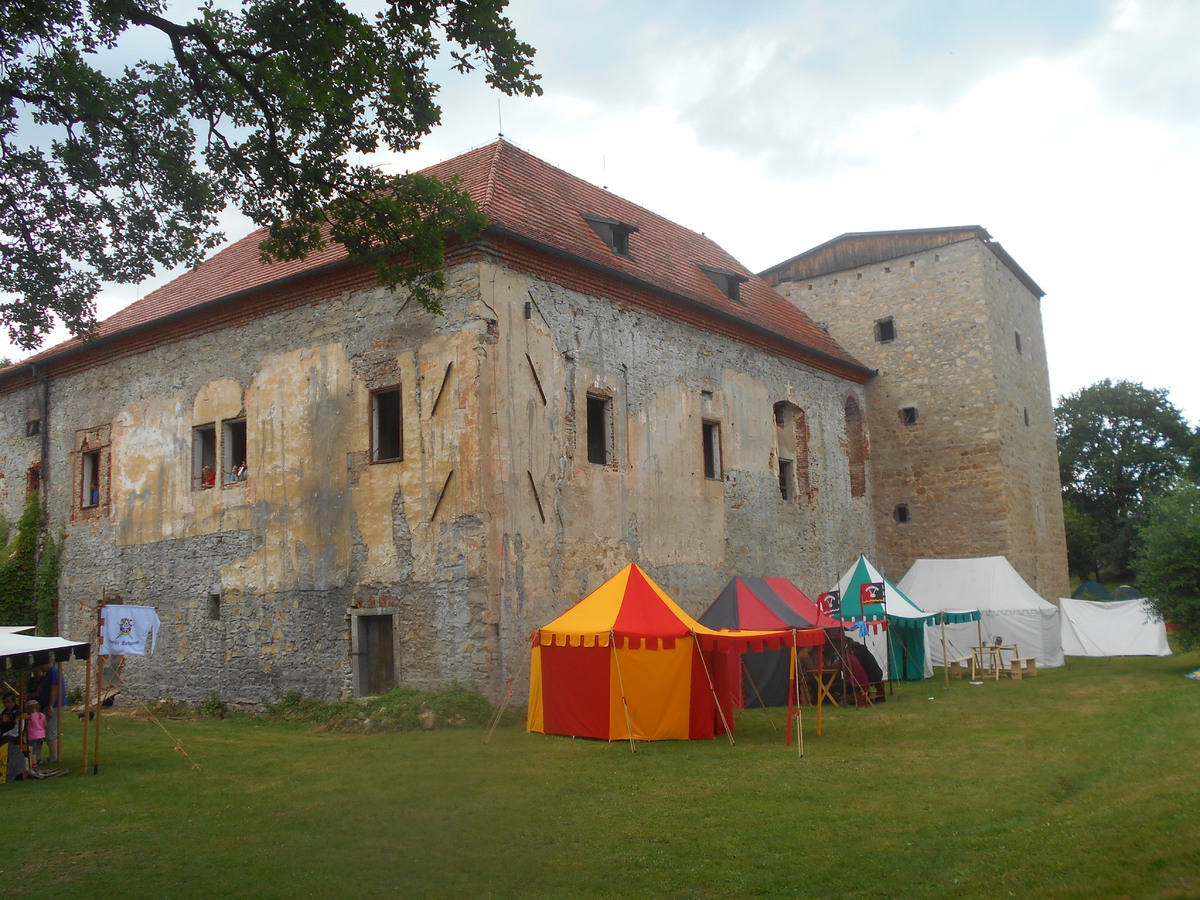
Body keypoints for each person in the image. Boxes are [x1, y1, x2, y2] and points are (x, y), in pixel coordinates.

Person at [37, 662, 61, 763]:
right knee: (49, 729)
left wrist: (50, 706)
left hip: (54, 705)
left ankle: (53, 755)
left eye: (40, 665)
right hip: (50, 705)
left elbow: (54, 689)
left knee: (50, 729)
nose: (39, 669)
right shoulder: (50, 672)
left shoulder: (54, 672)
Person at [25, 700, 46, 767]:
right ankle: (37, 759)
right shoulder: (42, 715)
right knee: (37, 748)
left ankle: (33, 762)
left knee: (32, 749)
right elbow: (45, 725)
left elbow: (26, 725)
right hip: (41, 734)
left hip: (32, 735)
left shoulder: (29, 717)